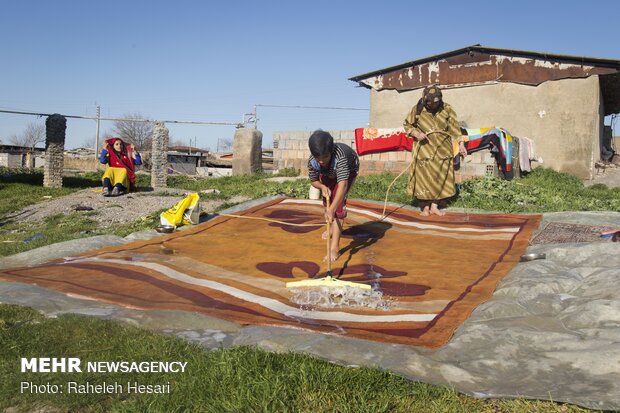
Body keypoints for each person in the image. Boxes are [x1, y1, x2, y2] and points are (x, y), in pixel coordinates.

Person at [403, 85, 467, 216]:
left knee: (440, 178)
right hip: (423, 150)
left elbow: (455, 128)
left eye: (436, 102)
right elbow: (407, 125)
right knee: (423, 179)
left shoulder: (447, 109)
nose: (433, 105)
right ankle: (424, 206)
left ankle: (434, 206)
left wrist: (461, 145)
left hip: (443, 151)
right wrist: (416, 133)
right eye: (430, 102)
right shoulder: (418, 109)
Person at [307, 130, 359, 262]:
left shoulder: (340, 157)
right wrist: (322, 187)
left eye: (325, 157)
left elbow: (343, 185)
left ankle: (334, 248)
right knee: (327, 201)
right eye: (318, 158)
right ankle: (331, 228)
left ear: (330, 152)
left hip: (349, 170)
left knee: (338, 207)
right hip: (329, 173)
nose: (321, 161)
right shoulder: (314, 161)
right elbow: (314, 181)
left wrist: (332, 209)